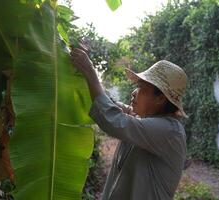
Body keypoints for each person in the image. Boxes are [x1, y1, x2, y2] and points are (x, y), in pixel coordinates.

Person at [70, 45, 188, 200]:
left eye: (141, 87)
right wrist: (86, 74)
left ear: (160, 98)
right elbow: (112, 106)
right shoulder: (145, 121)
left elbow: (114, 120)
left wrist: (90, 71)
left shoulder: (169, 130)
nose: (134, 92)